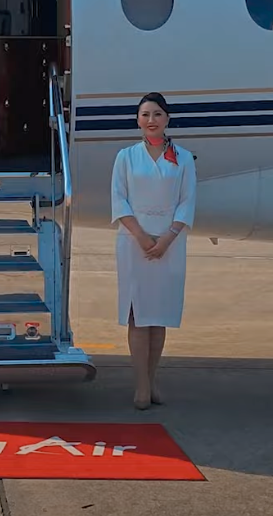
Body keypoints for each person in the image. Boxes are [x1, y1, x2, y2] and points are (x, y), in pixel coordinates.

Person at [110, 92, 196, 410]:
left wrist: (166, 239)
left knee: (158, 315)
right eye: (145, 114)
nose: (151, 120)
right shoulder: (126, 157)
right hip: (134, 243)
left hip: (169, 245)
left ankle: (153, 378)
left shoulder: (183, 158)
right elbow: (119, 200)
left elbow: (187, 202)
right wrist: (142, 237)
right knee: (138, 314)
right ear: (137, 120)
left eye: (157, 114)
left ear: (167, 119)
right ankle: (141, 386)